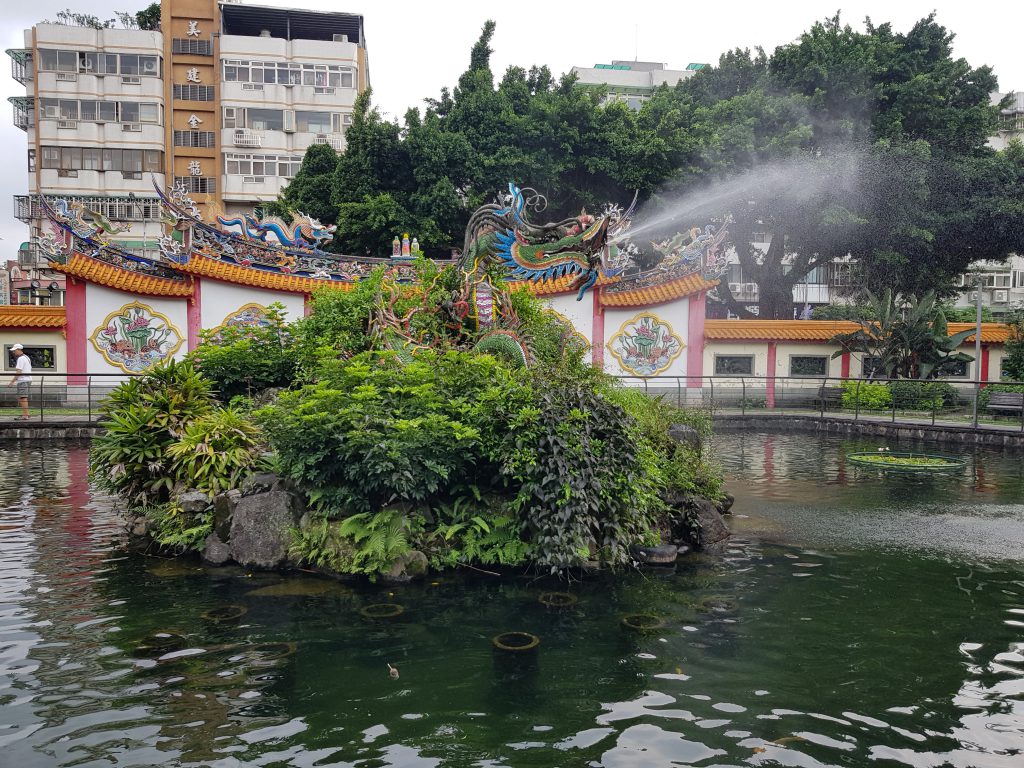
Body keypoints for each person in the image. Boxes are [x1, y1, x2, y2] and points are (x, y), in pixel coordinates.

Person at [8, 343, 32, 420]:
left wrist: (12, 381)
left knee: (23, 397)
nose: (13, 352)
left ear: (18, 350)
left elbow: (19, 371)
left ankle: (25, 415)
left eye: (14, 350)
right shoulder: (26, 357)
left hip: (23, 380)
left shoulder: (21, 359)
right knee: (21, 397)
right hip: (28, 379)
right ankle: (26, 414)